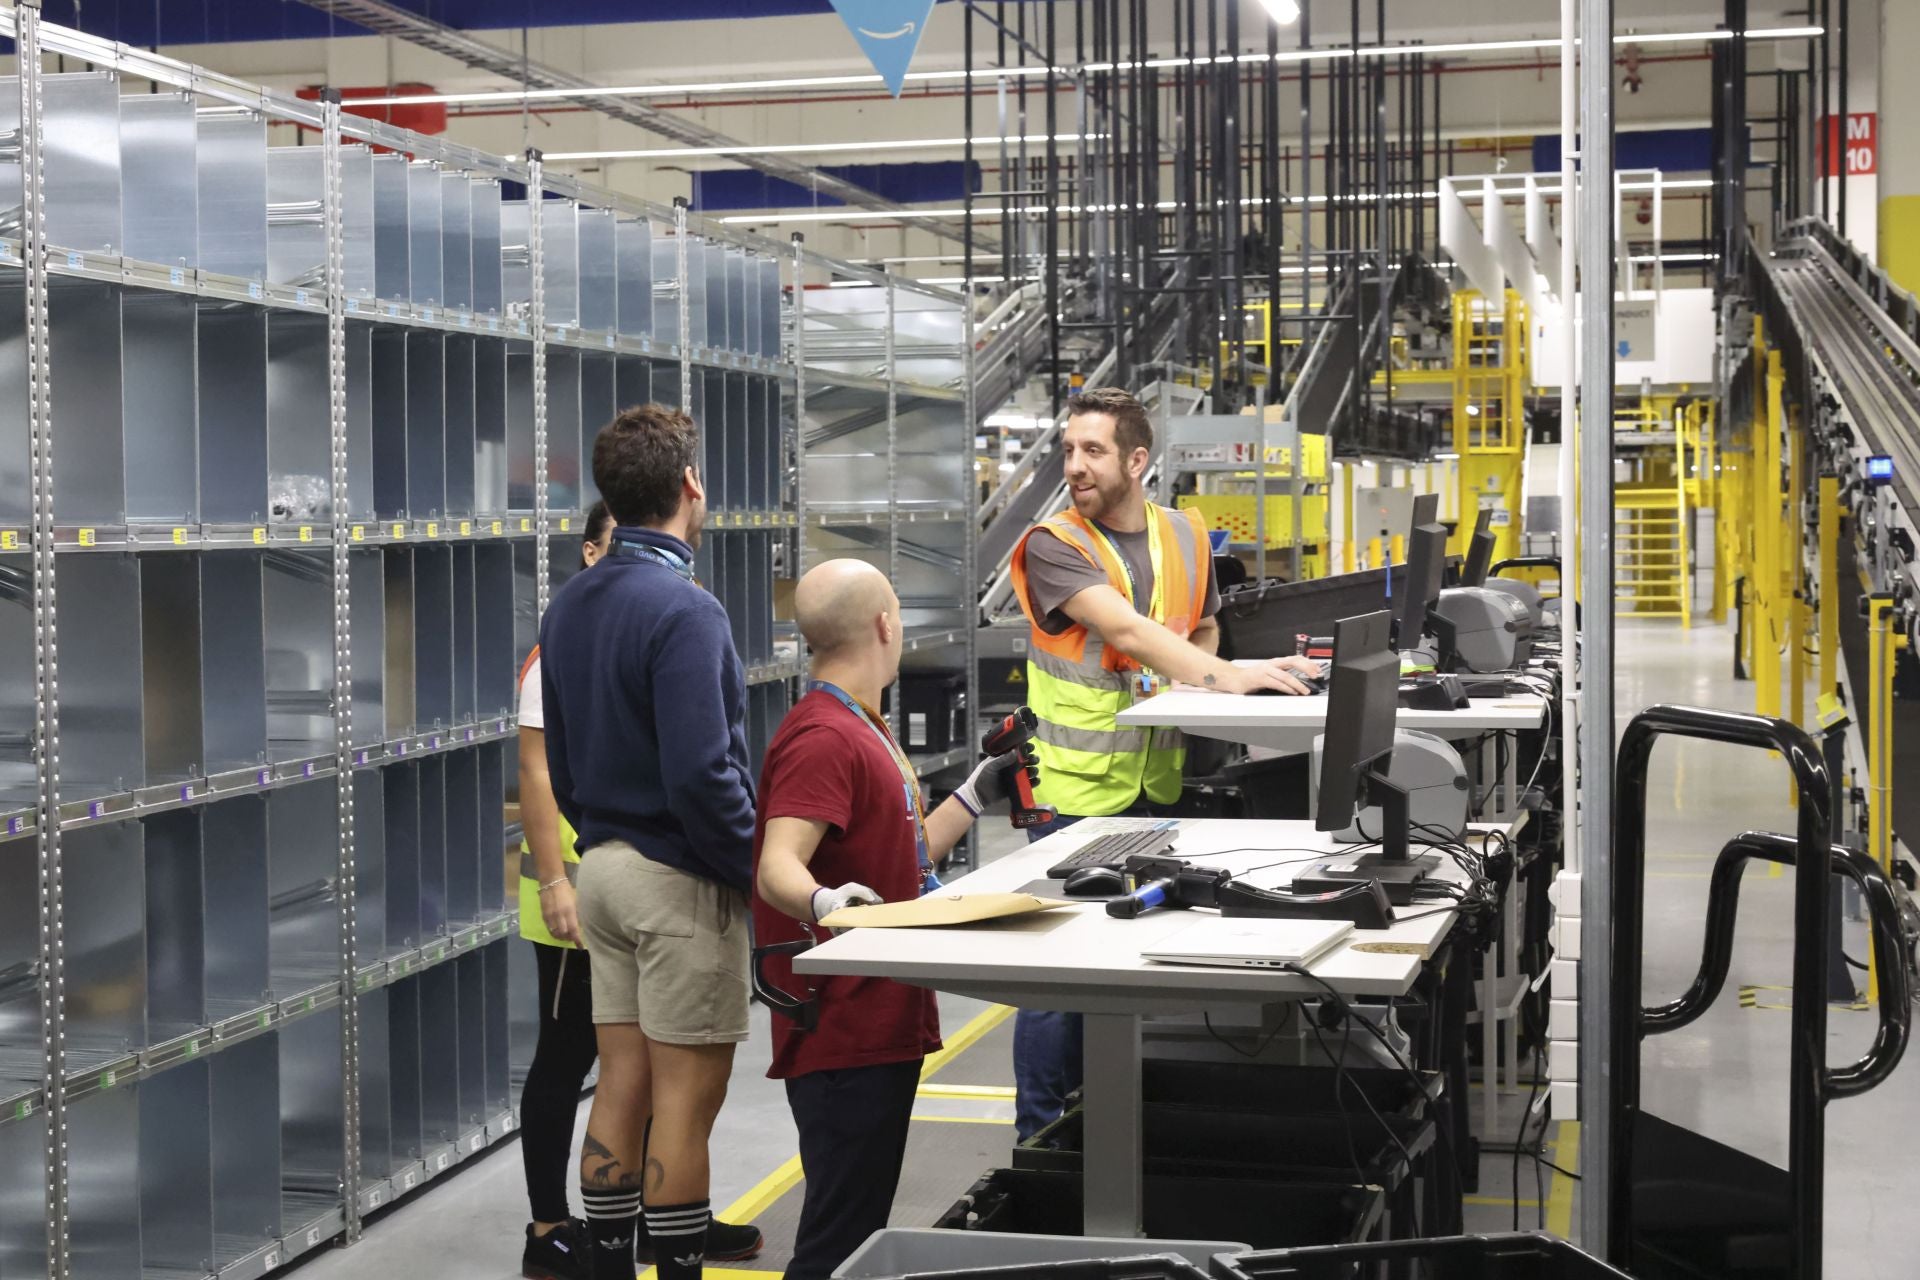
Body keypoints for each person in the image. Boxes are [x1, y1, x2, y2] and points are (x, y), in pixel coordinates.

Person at [1007, 386, 1321, 1140]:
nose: (1074, 466)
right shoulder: (1054, 545)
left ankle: (1094, 1119)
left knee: (1117, 957)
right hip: (1073, 789)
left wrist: (1201, 671)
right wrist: (1225, 679)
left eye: (1093, 451)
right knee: (1059, 972)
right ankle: (1039, 1131)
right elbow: (1128, 631)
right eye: (1069, 450)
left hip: (1155, 784)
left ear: (1137, 460)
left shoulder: (1182, 532)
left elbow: (1202, 625)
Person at [754, 558, 1026, 1280]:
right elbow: (779, 864)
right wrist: (823, 902)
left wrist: (972, 795)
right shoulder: (823, 737)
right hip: (844, 1026)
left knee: (858, 1224)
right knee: (836, 1243)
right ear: (884, 624)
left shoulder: (857, 724)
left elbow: (895, 865)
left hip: (877, 1018)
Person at [539, 405, 758, 1280]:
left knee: (621, 1084)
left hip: (603, 873)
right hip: (676, 880)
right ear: (689, 487)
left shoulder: (570, 605)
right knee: (685, 1104)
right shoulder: (685, 609)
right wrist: (760, 872)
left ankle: (604, 1265)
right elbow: (704, 775)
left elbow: (557, 752)